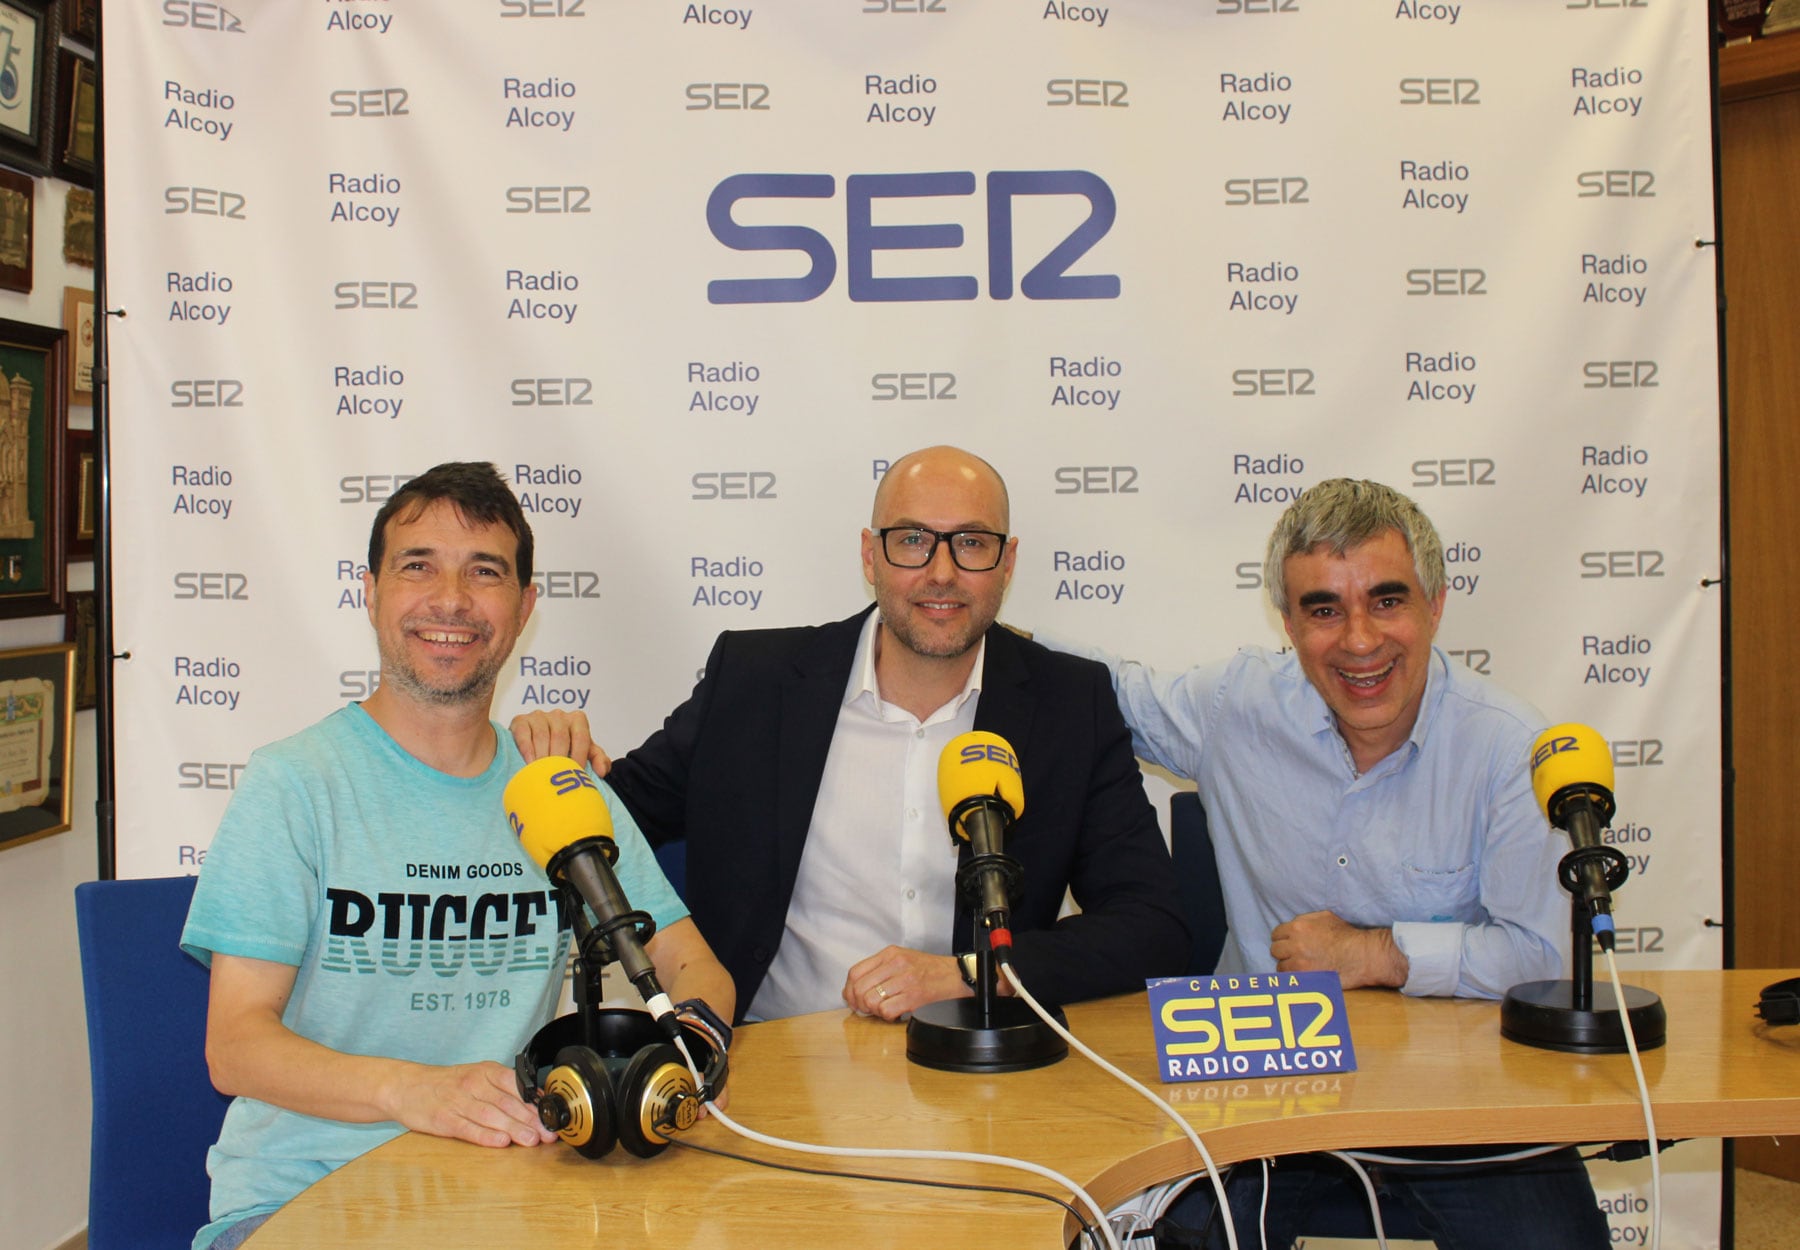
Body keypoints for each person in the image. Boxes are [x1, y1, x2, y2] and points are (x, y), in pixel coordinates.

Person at [180, 462, 734, 1250]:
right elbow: (234, 1048)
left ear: (525, 607)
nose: (451, 600)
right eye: (418, 566)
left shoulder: (561, 792)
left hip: (512, 1195)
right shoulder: (293, 785)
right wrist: (409, 1091)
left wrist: (691, 1048)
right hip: (306, 1199)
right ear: (370, 593)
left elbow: (693, 965)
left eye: (484, 572)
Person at [1043, 477, 1608, 1249]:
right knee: (1180, 1239)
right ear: (1287, 622)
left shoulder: (1511, 750)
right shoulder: (1235, 706)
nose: (1360, 640)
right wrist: (965, 614)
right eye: (1324, 610)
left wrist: (1375, 954)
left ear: (1436, 605)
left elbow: (1543, 957)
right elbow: (1101, 688)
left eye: (1387, 600)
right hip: (1259, 1078)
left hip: (1456, 1090)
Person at [514, 445, 1190, 1024]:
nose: (942, 571)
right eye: (913, 540)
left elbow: (1154, 926)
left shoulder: (1071, 703)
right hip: (773, 1063)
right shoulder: (754, 684)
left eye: (972, 543)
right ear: (870, 554)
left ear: (1007, 563)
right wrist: (553, 764)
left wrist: (971, 973)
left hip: (979, 1066)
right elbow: (615, 819)